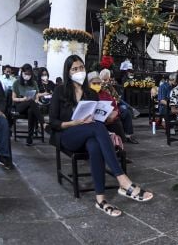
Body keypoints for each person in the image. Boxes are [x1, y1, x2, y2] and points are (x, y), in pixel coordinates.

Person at [49, 55, 153, 216]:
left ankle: (101, 200)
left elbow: (97, 118)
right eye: (75, 69)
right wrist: (75, 123)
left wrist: (106, 116)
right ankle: (123, 180)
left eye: (81, 67)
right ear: (68, 72)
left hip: (89, 132)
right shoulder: (60, 91)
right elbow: (53, 122)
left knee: (94, 145)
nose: (79, 71)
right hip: (67, 135)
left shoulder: (90, 93)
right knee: (96, 128)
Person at [11, 63, 44, 146]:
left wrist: (36, 100)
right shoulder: (16, 83)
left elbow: (36, 96)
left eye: (29, 74)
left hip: (31, 106)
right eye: (26, 73)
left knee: (31, 110)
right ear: (22, 73)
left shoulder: (34, 83)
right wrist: (23, 99)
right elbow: (13, 98)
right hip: (19, 106)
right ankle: (42, 122)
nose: (27, 75)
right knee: (30, 102)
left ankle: (29, 138)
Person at [87, 71, 126, 141]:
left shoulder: (105, 94)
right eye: (94, 83)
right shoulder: (85, 94)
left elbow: (115, 107)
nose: (97, 85)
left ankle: (119, 144)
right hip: (92, 121)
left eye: (99, 83)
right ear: (88, 84)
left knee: (117, 122)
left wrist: (114, 114)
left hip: (107, 119)